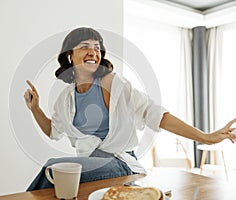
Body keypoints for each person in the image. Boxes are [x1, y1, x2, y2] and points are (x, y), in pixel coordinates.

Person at [24, 27, 236, 190]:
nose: (93, 52)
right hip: (92, 165)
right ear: (70, 55)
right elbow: (53, 131)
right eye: (85, 46)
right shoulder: (65, 98)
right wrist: (35, 109)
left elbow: (156, 115)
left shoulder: (114, 84)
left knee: (53, 168)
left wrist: (206, 137)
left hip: (120, 163)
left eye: (97, 47)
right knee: (57, 181)